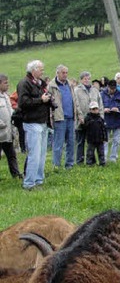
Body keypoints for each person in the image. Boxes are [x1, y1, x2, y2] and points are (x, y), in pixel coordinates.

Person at [17, 60, 52, 190]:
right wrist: (40, 100)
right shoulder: (24, 83)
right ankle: (29, 183)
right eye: (41, 69)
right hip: (31, 122)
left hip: (42, 121)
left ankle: (38, 179)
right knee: (34, 154)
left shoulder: (39, 84)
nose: (43, 72)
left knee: (42, 154)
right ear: (34, 70)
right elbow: (23, 102)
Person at [48, 64, 77, 170]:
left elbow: (74, 100)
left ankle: (69, 164)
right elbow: (49, 103)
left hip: (70, 117)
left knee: (71, 142)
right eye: (63, 73)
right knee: (58, 143)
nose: (65, 75)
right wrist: (51, 117)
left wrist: (77, 114)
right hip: (59, 117)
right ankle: (56, 165)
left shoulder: (70, 84)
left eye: (66, 73)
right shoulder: (52, 86)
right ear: (58, 73)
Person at [74, 71, 103, 165]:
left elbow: (100, 104)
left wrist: (101, 117)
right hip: (82, 120)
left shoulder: (95, 90)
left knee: (92, 141)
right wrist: (80, 117)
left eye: (88, 78)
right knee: (80, 141)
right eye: (85, 79)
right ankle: (80, 160)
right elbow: (76, 104)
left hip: (94, 120)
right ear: (81, 80)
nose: (87, 80)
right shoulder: (76, 90)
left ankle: (92, 160)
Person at [0, 74, 22, 179]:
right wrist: (2, 124)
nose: (7, 85)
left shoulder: (6, 96)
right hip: (1, 131)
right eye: (5, 83)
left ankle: (16, 174)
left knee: (11, 155)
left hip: (7, 133)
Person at [100, 79, 120, 162]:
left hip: (117, 120)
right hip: (106, 120)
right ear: (107, 87)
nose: (112, 90)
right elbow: (98, 106)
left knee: (116, 141)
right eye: (111, 88)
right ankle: (104, 157)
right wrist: (104, 109)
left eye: (114, 88)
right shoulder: (101, 95)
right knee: (105, 141)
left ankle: (113, 157)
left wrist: (118, 108)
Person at [84, 101, 107, 166]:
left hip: (100, 139)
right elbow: (85, 127)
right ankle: (89, 163)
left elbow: (104, 129)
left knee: (101, 152)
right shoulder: (87, 118)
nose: (95, 110)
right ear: (90, 110)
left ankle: (102, 163)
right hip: (91, 139)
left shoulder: (101, 119)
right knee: (90, 152)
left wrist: (105, 137)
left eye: (96, 109)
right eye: (93, 109)